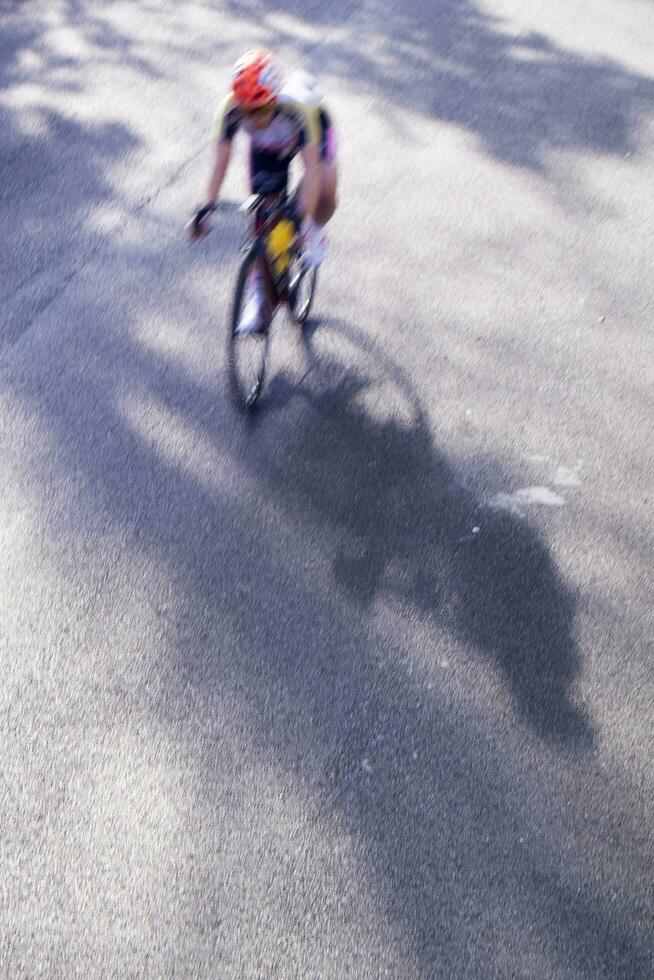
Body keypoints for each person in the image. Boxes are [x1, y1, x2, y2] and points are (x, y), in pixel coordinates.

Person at [189, 49, 338, 333]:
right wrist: (207, 207)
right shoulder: (230, 110)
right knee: (264, 220)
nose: (253, 118)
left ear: (273, 98)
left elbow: (312, 171)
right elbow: (221, 161)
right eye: (247, 111)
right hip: (269, 147)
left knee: (325, 191)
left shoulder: (296, 108)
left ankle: (316, 236)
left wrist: (301, 220)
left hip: (311, 133)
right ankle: (259, 299)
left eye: (260, 109)